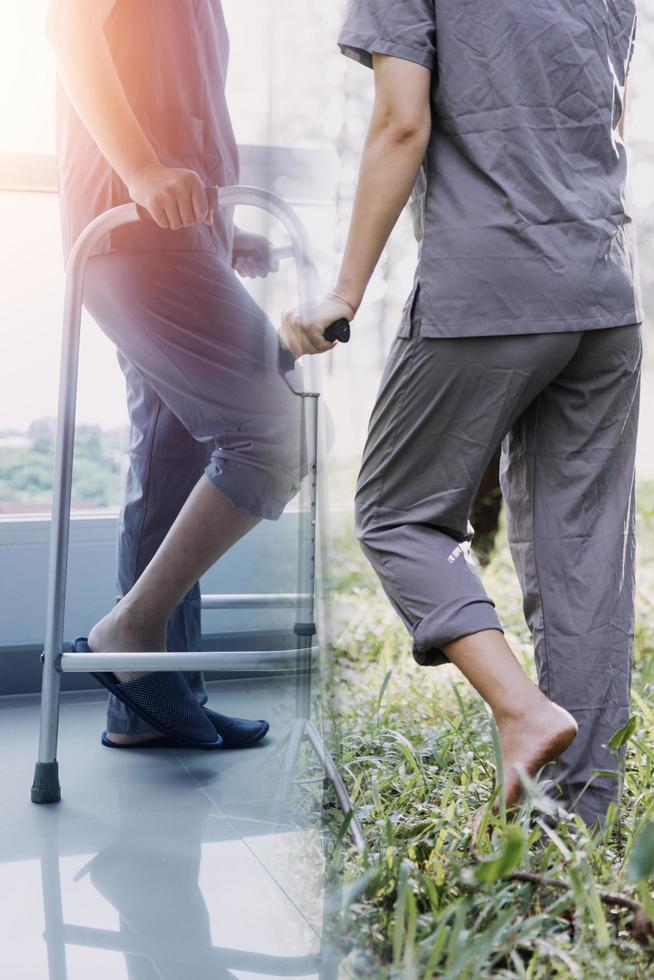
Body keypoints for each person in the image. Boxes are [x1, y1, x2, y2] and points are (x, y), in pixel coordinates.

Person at [282, 0, 642, 829]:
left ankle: (524, 710)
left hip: (488, 288)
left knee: (396, 513)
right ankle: (576, 820)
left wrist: (343, 293)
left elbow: (401, 124)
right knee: (585, 553)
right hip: (602, 294)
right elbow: (605, 121)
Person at [47, 0, 304, 748]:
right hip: (131, 229)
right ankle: (130, 632)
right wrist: (142, 170)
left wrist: (219, 227)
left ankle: (150, 697)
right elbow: (68, 30)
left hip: (171, 232)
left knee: (171, 457)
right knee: (275, 427)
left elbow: (175, 100)